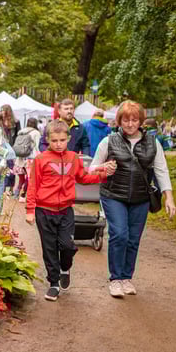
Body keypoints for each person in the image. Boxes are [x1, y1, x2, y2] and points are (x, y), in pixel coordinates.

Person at [90, 101, 176, 298]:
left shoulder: (152, 143)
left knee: (133, 239)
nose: (130, 124)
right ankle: (115, 279)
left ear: (140, 121)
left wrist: (168, 197)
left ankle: (126, 278)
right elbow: (92, 167)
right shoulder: (109, 141)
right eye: (126, 120)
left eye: (134, 120)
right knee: (119, 234)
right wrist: (104, 168)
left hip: (140, 197)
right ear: (119, 121)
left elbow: (161, 171)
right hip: (113, 195)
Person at [27, 120, 114, 302]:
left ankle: (65, 268)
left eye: (62, 140)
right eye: (54, 141)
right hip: (44, 211)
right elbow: (33, 185)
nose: (58, 144)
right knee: (49, 248)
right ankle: (53, 283)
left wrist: (102, 175)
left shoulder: (73, 157)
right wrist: (30, 209)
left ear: (68, 139)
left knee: (67, 245)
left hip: (66, 210)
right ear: (47, 140)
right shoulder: (40, 160)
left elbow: (82, 177)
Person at [12, 118, 41, 201]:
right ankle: (23, 195)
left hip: (20, 158)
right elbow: (37, 146)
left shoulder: (21, 132)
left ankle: (16, 194)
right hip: (31, 158)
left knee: (21, 178)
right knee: (30, 177)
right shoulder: (36, 133)